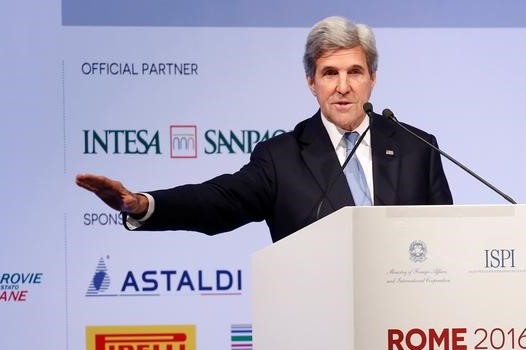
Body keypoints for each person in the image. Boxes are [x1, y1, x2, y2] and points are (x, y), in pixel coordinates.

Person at [76, 16, 453, 242]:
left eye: (354, 72)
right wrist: (143, 204)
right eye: (329, 73)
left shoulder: (417, 148)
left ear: (372, 78)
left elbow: (448, 243)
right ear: (311, 82)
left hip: (410, 339)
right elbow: (217, 201)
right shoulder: (282, 158)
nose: (343, 86)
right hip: (322, 338)